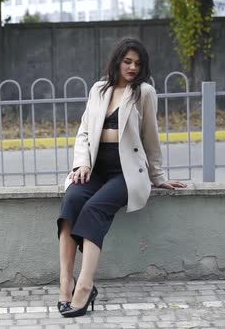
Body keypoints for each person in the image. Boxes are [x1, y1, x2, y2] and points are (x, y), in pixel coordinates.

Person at [56, 38, 187, 317]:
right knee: (71, 203)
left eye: (137, 63)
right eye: (127, 61)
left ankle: (84, 285)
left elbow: (151, 136)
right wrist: (81, 163)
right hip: (95, 168)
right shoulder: (98, 90)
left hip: (126, 173)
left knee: (93, 209)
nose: (132, 67)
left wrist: (158, 176)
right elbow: (83, 131)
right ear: (117, 61)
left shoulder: (144, 93)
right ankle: (65, 281)